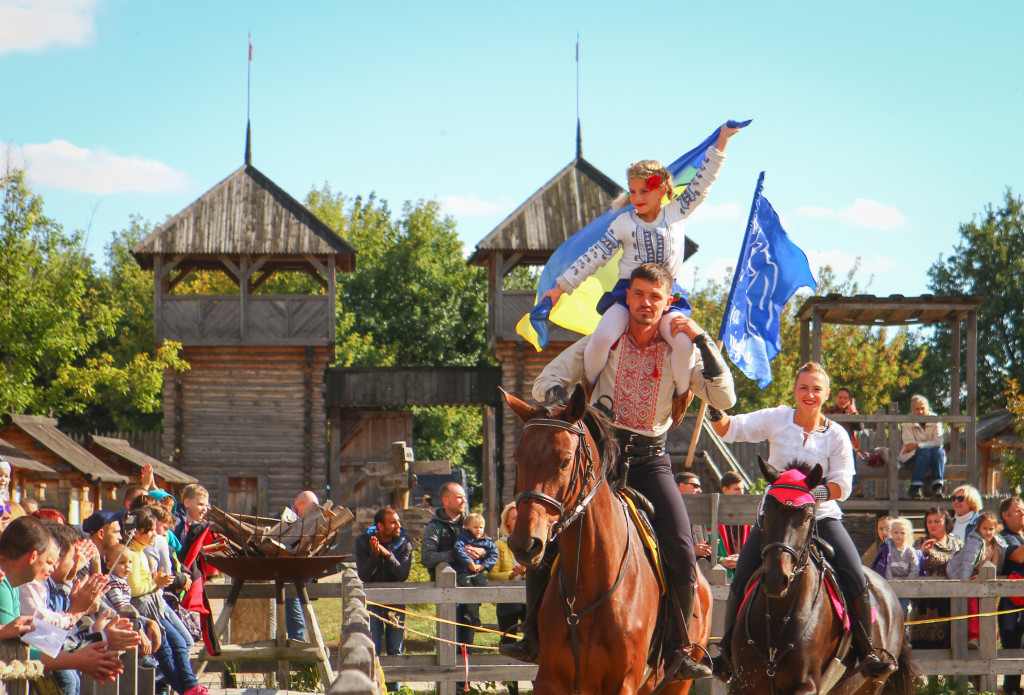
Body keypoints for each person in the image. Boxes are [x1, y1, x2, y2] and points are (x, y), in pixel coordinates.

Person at [522, 263, 737, 681]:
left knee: (680, 548)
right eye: (639, 294)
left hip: (650, 461)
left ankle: (677, 648)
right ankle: (532, 633)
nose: (646, 303)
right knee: (546, 530)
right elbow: (544, 381)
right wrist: (564, 402)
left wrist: (705, 344)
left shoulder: (681, 353)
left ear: (667, 302)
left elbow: (724, 396)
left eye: (655, 297)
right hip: (598, 459)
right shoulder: (604, 340)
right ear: (628, 296)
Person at [708, 361, 895, 681]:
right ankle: (726, 651)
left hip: (821, 517)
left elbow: (844, 486)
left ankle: (869, 650)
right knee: (741, 575)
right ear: (795, 391)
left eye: (817, 389)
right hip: (777, 520)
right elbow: (732, 429)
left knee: (855, 577)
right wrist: (714, 409)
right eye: (804, 388)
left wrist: (808, 496)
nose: (810, 394)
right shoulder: (777, 418)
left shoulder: (836, 435)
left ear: (825, 395)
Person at [541, 123, 741, 397]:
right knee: (600, 339)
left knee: (683, 345)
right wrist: (561, 287)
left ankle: (680, 397)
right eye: (632, 192)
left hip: (667, 299)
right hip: (629, 296)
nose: (636, 198)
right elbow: (594, 257)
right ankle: (588, 391)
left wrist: (722, 142)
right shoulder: (623, 223)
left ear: (660, 190)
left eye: (643, 192)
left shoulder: (677, 212)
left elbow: (703, 181)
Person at [354, 506, 412, 693]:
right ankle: (375, 691)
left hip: (396, 600)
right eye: (393, 522)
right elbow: (365, 575)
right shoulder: (363, 541)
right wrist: (374, 555)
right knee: (374, 649)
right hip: (372, 601)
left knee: (395, 649)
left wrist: (388, 555)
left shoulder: (404, 540)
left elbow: (402, 574)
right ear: (380, 525)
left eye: (398, 521)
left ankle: (394, 690)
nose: (398, 525)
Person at [948, 510, 1005, 649]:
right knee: (973, 607)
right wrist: (965, 585)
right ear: (978, 528)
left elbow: (996, 565)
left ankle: (991, 637)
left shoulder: (997, 544)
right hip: (969, 576)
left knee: (991, 607)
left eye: (991, 529)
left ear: (996, 528)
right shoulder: (974, 542)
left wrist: (988, 577)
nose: (988, 532)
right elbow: (967, 564)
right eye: (984, 528)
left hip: (985, 577)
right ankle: (974, 636)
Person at [910, 506, 962, 650]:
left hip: (952, 599)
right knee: (925, 645)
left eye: (937, 521)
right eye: (929, 522)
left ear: (946, 522)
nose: (932, 525)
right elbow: (913, 568)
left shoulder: (957, 543)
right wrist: (922, 554)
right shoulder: (921, 543)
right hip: (927, 601)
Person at [488, 502, 526, 695]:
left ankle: (537, 686)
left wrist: (526, 572)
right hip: (507, 601)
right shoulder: (500, 545)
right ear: (507, 523)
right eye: (514, 518)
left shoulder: (533, 543)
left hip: (529, 601)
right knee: (509, 644)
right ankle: (513, 690)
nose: (518, 521)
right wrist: (511, 574)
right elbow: (492, 575)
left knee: (535, 643)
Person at [451, 513, 498, 653]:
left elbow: (494, 554)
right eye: (475, 527)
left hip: (478, 571)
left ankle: (473, 611)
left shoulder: (486, 540)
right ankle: (475, 617)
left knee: (481, 584)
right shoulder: (463, 537)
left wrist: (483, 566)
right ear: (467, 527)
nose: (479, 530)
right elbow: (458, 550)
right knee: (467, 587)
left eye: (481, 527)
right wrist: (469, 563)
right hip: (465, 571)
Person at [999, 497, 1024, 695]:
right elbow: (1018, 556)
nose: (1022, 514)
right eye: (1017, 511)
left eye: (1023, 510)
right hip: (1011, 604)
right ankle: (1011, 689)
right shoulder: (1003, 537)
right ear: (1005, 516)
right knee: (1012, 647)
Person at [899, 394, 946, 499]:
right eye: (917, 409)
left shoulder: (935, 419)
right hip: (911, 457)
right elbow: (908, 445)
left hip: (932, 455)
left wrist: (918, 444)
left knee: (938, 452)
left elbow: (938, 441)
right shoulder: (907, 422)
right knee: (925, 453)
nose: (920, 412)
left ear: (927, 408)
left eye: (922, 408)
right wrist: (926, 445)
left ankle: (938, 487)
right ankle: (915, 488)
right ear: (912, 410)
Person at [869, 517, 918, 618]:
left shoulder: (909, 551)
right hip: (890, 584)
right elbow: (886, 565)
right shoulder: (888, 549)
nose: (899, 536)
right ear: (891, 533)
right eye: (896, 532)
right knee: (889, 609)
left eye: (902, 533)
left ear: (907, 534)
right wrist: (890, 581)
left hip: (904, 584)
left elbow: (915, 566)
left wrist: (908, 581)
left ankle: (902, 631)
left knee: (903, 610)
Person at [715, 471, 749, 576]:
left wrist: (744, 558)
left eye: (742, 489)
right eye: (736, 489)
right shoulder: (714, 515)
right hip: (721, 576)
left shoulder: (750, 514)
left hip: (746, 574)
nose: (741, 493)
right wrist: (720, 560)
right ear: (725, 490)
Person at [675, 473, 712, 561]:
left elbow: (704, 542)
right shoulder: (671, 512)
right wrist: (692, 551)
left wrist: (708, 548)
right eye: (695, 486)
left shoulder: (699, 514)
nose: (700, 490)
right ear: (682, 487)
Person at [823, 387, 862, 455]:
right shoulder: (829, 411)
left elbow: (859, 427)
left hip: (848, 446)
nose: (842, 400)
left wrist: (854, 413)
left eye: (845, 398)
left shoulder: (851, 413)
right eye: (840, 397)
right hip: (830, 446)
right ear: (836, 398)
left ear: (849, 400)